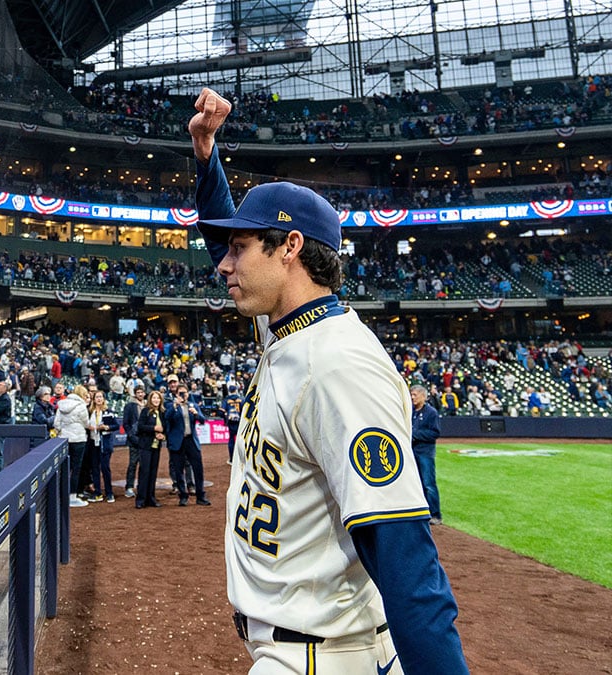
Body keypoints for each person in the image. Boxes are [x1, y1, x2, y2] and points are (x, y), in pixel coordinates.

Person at [197, 99, 468, 673]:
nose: (223, 264)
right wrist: (206, 157)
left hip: (323, 656)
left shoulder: (339, 365)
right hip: (300, 642)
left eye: (240, 248)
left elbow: (405, 559)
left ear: (289, 247)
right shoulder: (287, 330)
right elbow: (224, 244)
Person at [163, 383, 211, 506]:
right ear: (176, 394)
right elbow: (167, 418)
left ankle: (200, 495)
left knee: (198, 469)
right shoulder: (171, 405)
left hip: (191, 440)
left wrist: (196, 413)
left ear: (188, 394)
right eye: (180, 393)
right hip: (177, 441)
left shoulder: (193, 405)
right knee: (179, 470)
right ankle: (183, 495)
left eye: (185, 393)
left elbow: (202, 420)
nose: (183, 395)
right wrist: (175, 405)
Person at [410, 384, 443, 525]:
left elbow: (435, 433)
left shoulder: (431, 412)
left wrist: (415, 434)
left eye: (415, 395)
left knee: (429, 483)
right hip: (412, 452)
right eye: (411, 394)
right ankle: (421, 512)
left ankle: (436, 514)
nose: (412, 397)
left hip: (425, 452)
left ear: (423, 396)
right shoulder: (410, 411)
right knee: (416, 484)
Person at [54, 384, 90, 508]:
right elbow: (86, 423)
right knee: (76, 468)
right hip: (78, 439)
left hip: (64, 438)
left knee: (64, 468)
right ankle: (72, 496)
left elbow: (56, 424)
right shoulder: (81, 406)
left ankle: (60, 495)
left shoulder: (62, 404)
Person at [134, 390, 166, 509]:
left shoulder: (162, 413)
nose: (156, 400)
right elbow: (140, 427)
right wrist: (154, 428)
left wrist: (163, 436)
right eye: (154, 398)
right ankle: (140, 499)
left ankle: (151, 498)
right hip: (145, 446)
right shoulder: (145, 411)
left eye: (158, 398)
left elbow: (165, 428)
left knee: (153, 473)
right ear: (150, 400)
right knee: (144, 472)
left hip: (156, 446)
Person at [89, 390, 117, 503]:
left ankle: (109, 493)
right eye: (97, 397)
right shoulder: (90, 411)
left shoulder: (108, 412)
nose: (99, 399)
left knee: (105, 468)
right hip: (93, 442)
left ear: (104, 399)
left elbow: (115, 425)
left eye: (101, 397)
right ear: (94, 399)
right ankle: (97, 492)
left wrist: (105, 427)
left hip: (104, 444)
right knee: (95, 468)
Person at [122, 385, 145, 499]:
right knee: (132, 464)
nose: (140, 394)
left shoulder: (147, 405)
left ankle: (142, 486)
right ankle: (129, 487)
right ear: (135, 394)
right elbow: (125, 424)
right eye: (138, 392)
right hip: (134, 440)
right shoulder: (130, 406)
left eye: (142, 392)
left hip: (146, 440)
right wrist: (131, 436)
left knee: (144, 465)